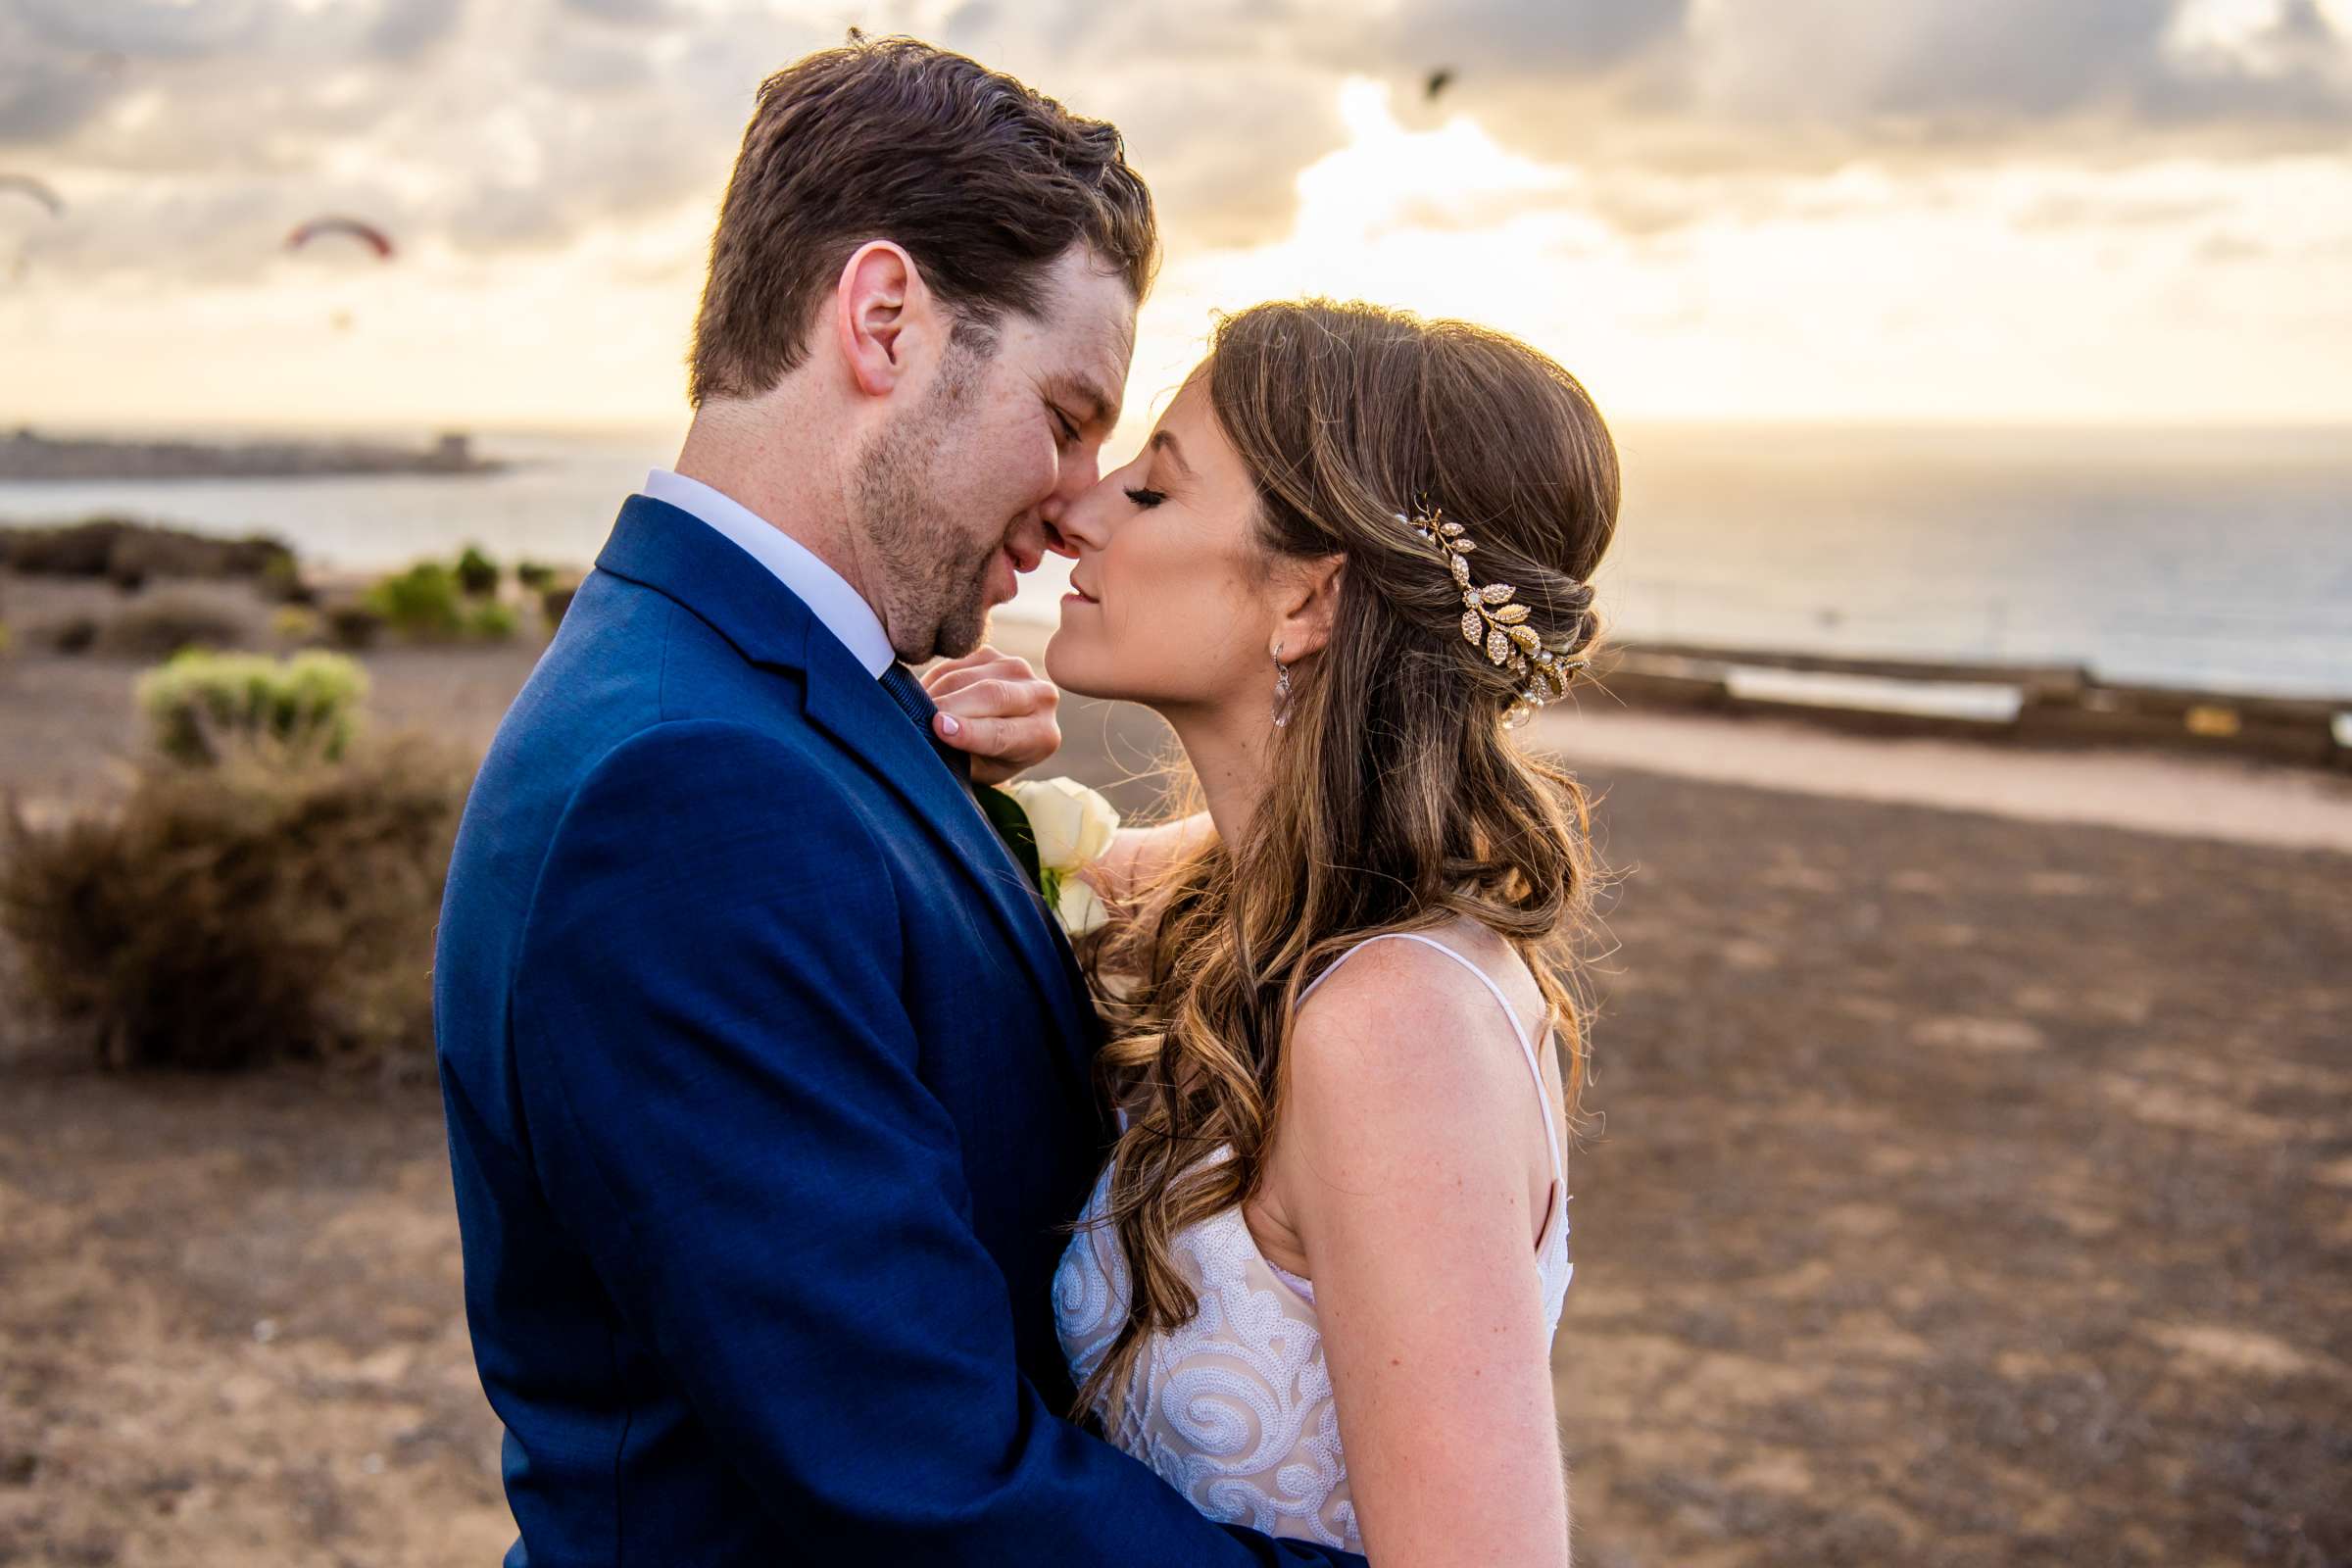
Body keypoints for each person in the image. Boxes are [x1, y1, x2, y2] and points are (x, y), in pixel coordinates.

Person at [432, 36, 1366, 1567]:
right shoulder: (689, 794)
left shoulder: (762, 702)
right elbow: (920, 1488)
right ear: (884, 322)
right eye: (1068, 415)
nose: (1081, 499)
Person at [1044, 298, 1618, 1564]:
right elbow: (1055, 866)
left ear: (1307, 599)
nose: (1073, 511)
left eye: (1151, 493)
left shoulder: (1392, 1026)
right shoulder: (1223, 899)